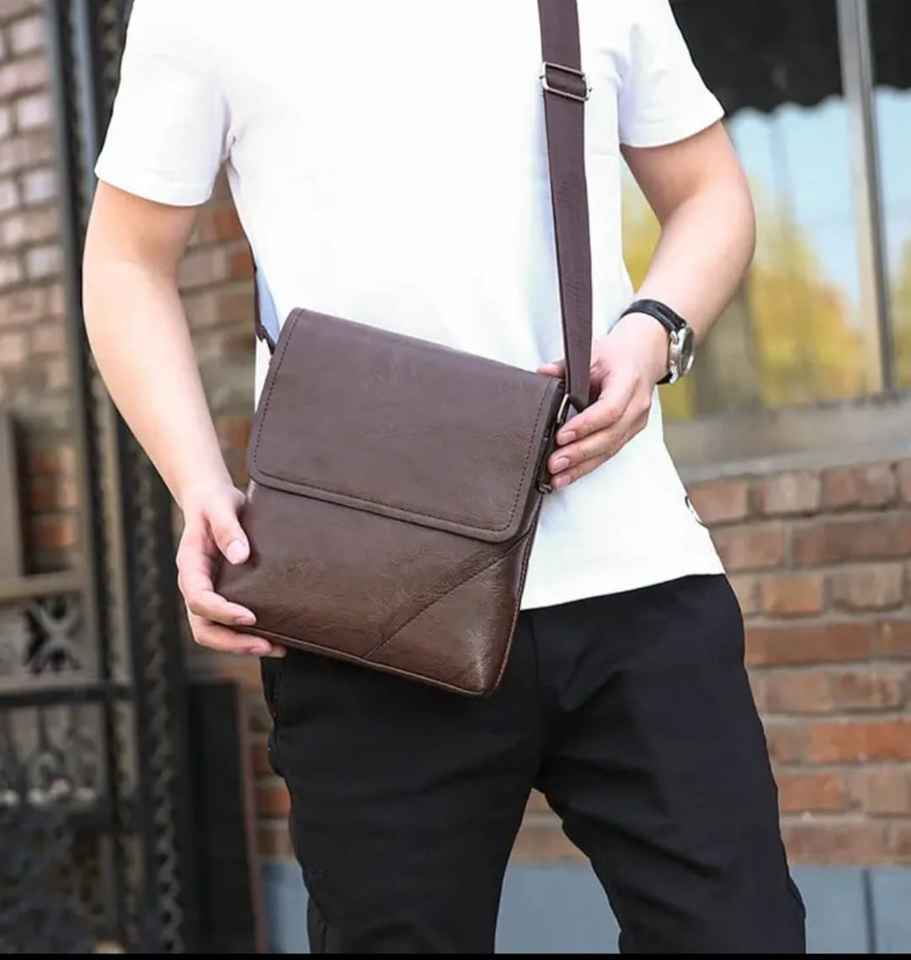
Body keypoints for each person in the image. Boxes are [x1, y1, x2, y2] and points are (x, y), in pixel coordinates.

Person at [83, 0, 807, 953]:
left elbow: (708, 191)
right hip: (364, 600)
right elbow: (126, 261)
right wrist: (199, 484)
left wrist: (652, 331)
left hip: (635, 576)